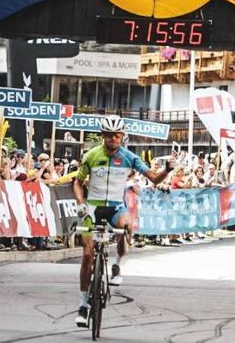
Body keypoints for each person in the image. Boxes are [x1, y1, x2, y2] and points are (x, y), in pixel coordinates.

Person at [73, 115, 173, 327]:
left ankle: (117, 265)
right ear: (103, 135)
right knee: (88, 254)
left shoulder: (128, 157)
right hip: (92, 207)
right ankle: (83, 304)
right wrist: (81, 202)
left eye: (117, 135)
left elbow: (154, 178)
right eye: (109, 135)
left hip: (116, 207)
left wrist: (167, 170)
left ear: (122, 136)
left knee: (127, 224)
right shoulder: (91, 155)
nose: (113, 139)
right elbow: (78, 182)